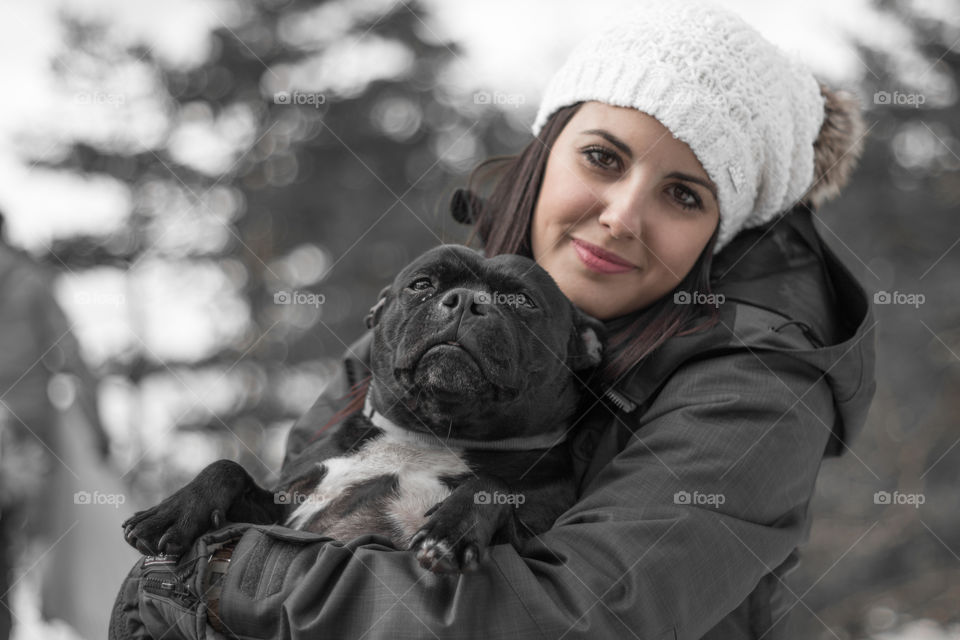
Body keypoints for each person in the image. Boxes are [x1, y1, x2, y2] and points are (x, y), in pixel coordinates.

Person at [108, 1, 876, 638]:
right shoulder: (440, 311)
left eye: (684, 195)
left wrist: (220, 577)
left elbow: (570, 620)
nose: (620, 217)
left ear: (718, 235)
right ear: (545, 156)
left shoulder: (759, 385)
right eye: (604, 159)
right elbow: (308, 517)